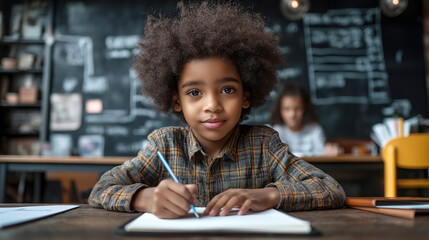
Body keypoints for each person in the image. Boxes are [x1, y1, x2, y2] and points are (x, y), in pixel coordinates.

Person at [89, 1, 345, 219]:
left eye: (227, 90)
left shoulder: (264, 146)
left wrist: (268, 194)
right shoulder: (164, 146)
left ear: (246, 96)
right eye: (194, 93)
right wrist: (145, 198)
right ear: (177, 101)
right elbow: (101, 189)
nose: (212, 105)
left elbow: (329, 188)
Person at [270, 83, 341, 156]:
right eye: (287, 109)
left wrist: (329, 152)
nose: (292, 114)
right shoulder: (277, 132)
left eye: (297, 108)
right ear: (280, 110)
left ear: (305, 109)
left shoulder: (314, 129)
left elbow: (322, 155)